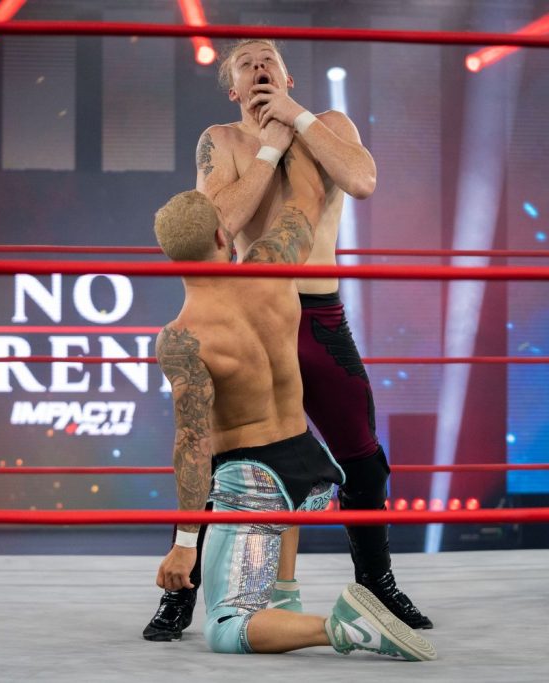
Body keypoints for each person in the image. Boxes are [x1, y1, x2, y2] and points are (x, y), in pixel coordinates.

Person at [143, 38, 430, 641]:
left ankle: (376, 585)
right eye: (245, 63)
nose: (258, 66)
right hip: (249, 313)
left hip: (316, 312)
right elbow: (219, 226)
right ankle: (180, 592)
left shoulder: (329, 125)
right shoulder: (221, 140)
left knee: (362, 453)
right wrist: (269, 148)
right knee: (215, 450)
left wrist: (294, 121)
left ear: (288, 76)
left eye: (268, 58)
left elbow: (362, 180)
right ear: (233, 88)